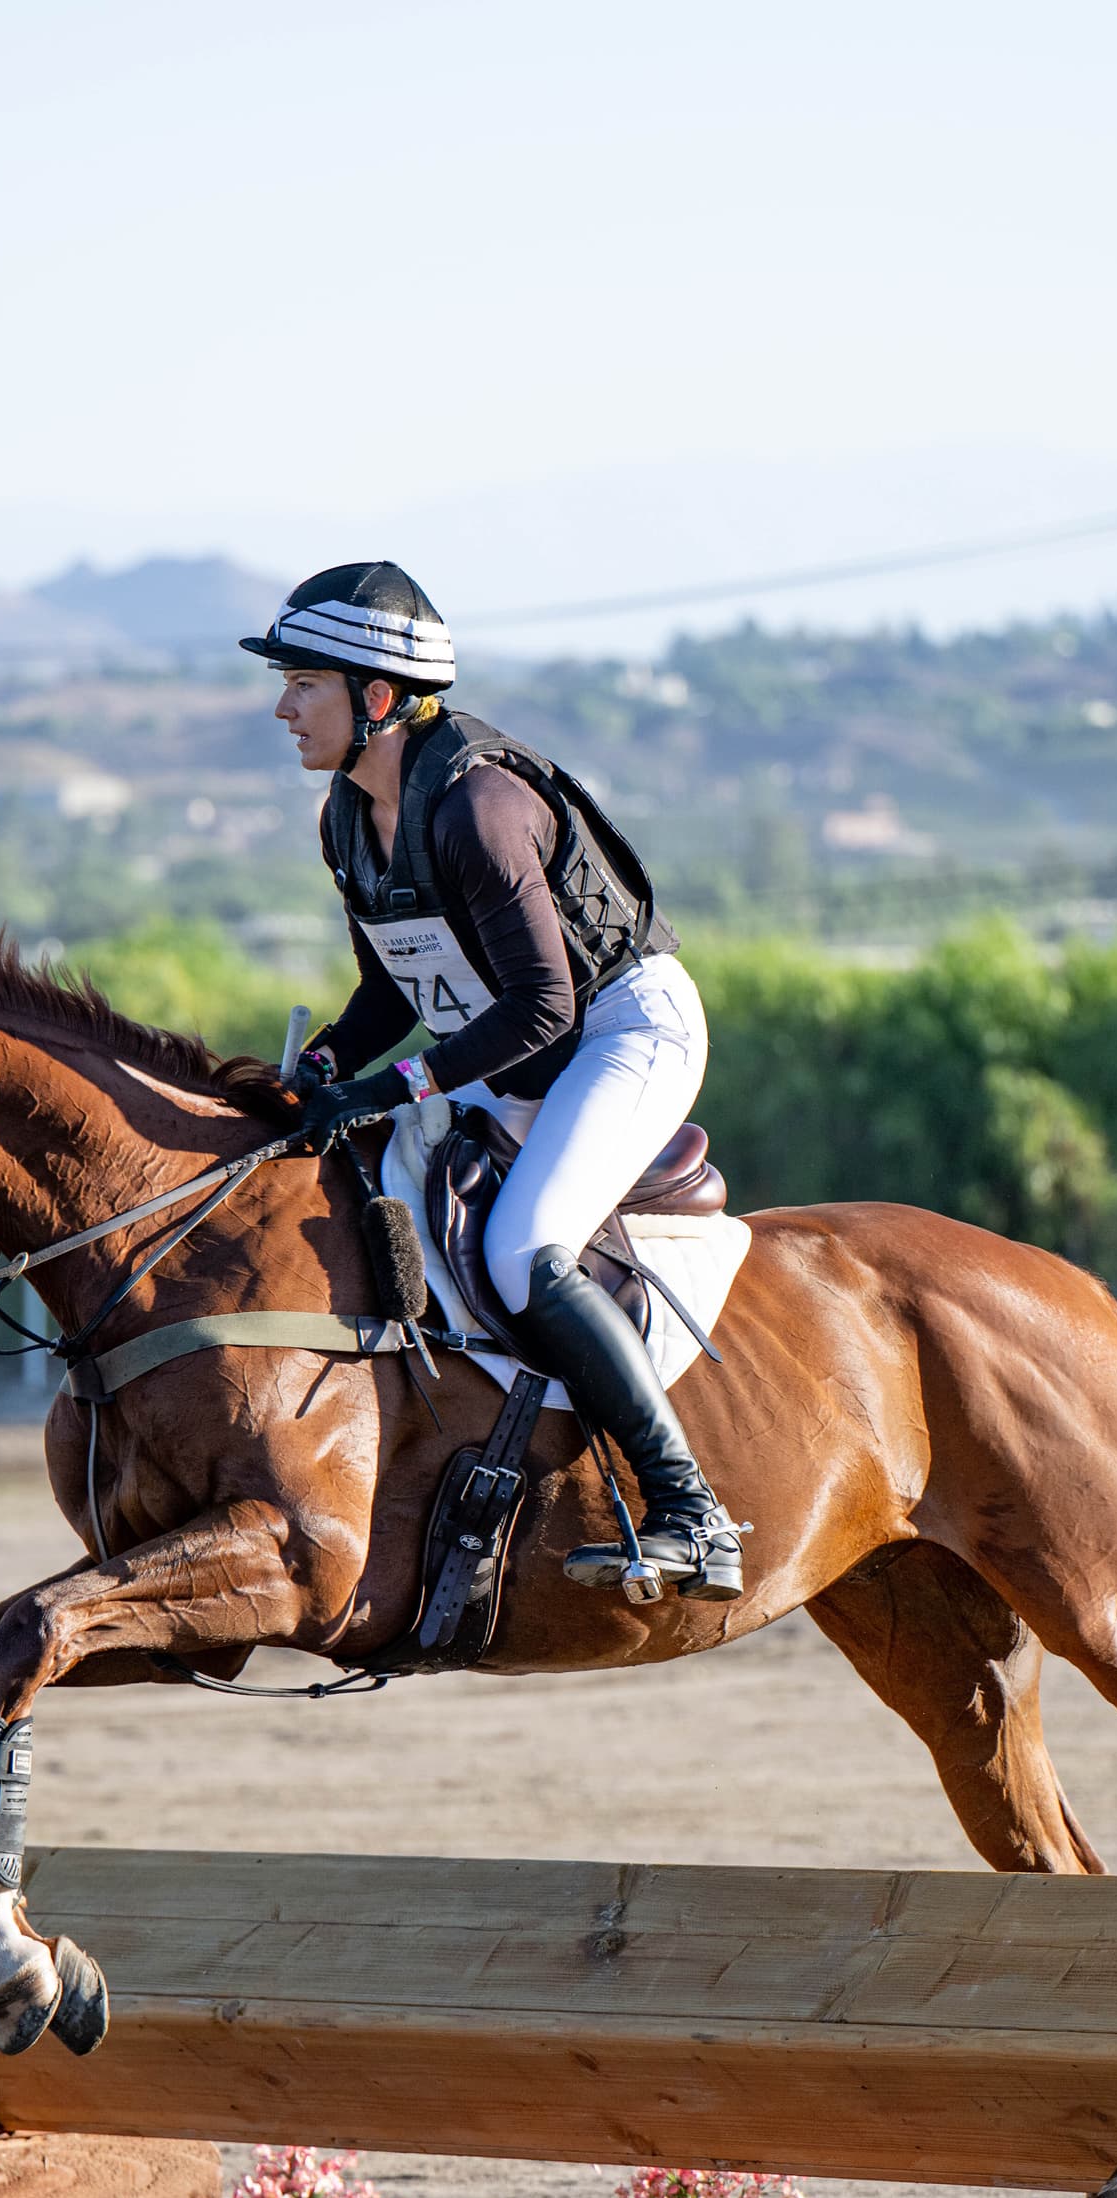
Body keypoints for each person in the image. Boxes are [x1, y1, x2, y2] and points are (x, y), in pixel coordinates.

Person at [245, 561, 742, 1602]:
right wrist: (331, 1066)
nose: (284, 706)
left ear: (377, 699)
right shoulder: (348, 815)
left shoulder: (480, 808)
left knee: (523, 1248)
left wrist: (391, 1090)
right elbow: (395, 983)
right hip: (511, 1044)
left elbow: (546, 1009)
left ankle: (690, 1506)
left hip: (619, 1029)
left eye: (304, 683)